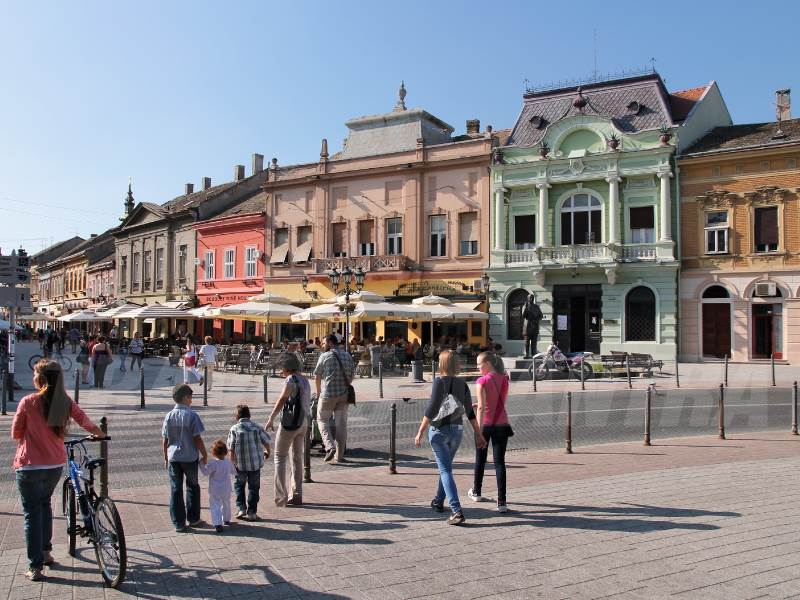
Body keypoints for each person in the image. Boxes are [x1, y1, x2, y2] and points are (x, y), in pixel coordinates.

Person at [12, 360, 103, 582]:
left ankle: (35, 565)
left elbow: (16, 433)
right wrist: (100, 433)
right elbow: (86, 422)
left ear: (40, 378)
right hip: (54, 464)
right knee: (44, 505)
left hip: (30, 465)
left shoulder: (28, 402)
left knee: (31, 514)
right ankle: (46, 552)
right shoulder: (64, 401)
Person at [414, 350, 486, 525]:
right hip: (457, 431)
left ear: (442, 364)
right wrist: (478, 434)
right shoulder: (463, 384)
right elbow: (469, 412)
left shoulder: (439, 382)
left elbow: (432, 408)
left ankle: (456, 510)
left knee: (445, 470)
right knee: (445, 467)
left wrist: (420, 431)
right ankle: (439, 501)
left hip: (439, 431)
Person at [468, 352, 512, 513]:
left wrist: (478, 431)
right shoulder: (505, 379)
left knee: (480, 459)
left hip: (485, 424)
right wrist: (481, 403)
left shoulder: (482, 381)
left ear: (488, 363)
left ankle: (477, 492)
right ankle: (502, 502)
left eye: (479, 364)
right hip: (502, 423)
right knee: (499, 462)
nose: (478, 367)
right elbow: (498, 400)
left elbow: (481, 408)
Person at [266, 353, 311, 507]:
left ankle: (281, 497)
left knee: (279, 456)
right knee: (297, 458)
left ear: (286, 368)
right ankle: (297, 494)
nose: (281, 371)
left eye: (282, 368)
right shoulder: (305, 380)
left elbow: (282, 399)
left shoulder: (290, 380)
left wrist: (271, 417)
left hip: (290, 423)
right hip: (303, 422)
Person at [162, 384, 207, 532]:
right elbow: (197, 438)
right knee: (193, 486)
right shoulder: (192, 415)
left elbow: (165, 439)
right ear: (186, 398)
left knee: (176, 489)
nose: (192, 401)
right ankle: (194, 518)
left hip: (173, 457)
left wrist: (165, 457)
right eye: (191, 398)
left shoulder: (168, 416)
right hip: (190, 457)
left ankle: (178, 523)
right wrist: (204, 454)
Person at [314, 334, 354, 463]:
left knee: (322, 420)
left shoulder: (325, 356)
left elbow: (317, 375)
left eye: (324, 343)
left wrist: (318, 392)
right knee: (341, 424)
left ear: (330, 343)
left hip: (328, 396)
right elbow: (352, 375)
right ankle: (340, 456)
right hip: (343, 395)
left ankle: (329, 446)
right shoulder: (347, 356)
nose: (322, 345)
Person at [227, 405, 271, 521]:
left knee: (239, 486)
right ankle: (252, 512)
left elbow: (231, 448)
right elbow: (266, 441)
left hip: (240, 464)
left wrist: (232, 462)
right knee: (254, 487)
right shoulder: (257, 427)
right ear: (249, 416)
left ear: (237, 417)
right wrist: (268, 452)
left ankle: (241, 508)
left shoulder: (234, 429)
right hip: (255, 464)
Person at [199, 439, 236, 533]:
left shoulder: (213, 464)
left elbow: (205, 472)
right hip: (226, 488)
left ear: (213, 453)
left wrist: (201, 464)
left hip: (215, 489)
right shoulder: (228, 462)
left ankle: (217, 523)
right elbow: (234, 471)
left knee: (215, 505)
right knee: (226, 503)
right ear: (225, 452)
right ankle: (227, 519)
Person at [521, 293, 543, 358]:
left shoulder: (536, 306)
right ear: (527, 299)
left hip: (535, 326)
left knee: (534, 342)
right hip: (527, 326)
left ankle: (534, 354)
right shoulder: (525, 306)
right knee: (527, 342)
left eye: (532, 298)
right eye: (530, 298)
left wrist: (536, 320)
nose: (531, 299)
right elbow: (523, 315)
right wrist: (525, 307)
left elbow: (541, 315)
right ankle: (526, 354)